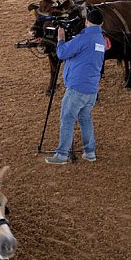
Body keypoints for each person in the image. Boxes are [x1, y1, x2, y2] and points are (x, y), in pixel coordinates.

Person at [45, 8, 105, 165]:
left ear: (86, 21)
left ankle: (62, 155)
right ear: (102, 23)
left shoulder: (83, 38)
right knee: (85, 119)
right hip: (91, 88)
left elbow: (62, 54)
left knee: (67, 119)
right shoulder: (100, 39)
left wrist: (61, 39)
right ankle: (90, 152)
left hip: (77, 88)